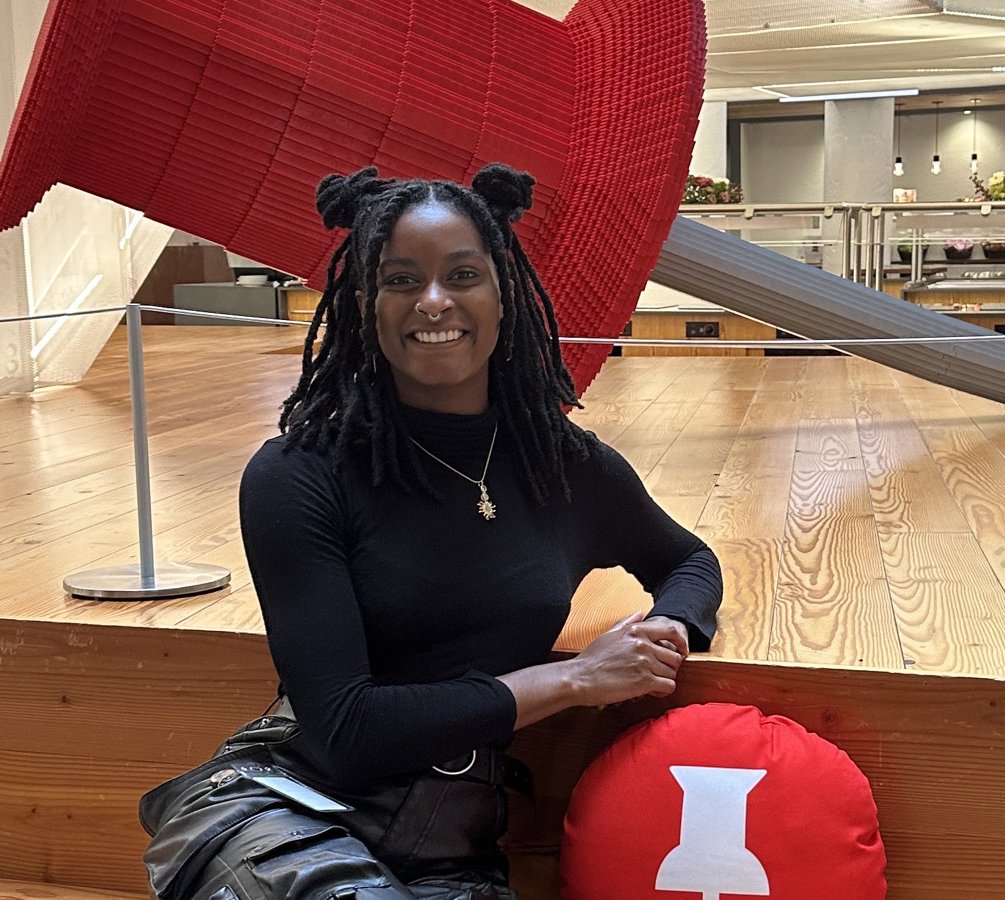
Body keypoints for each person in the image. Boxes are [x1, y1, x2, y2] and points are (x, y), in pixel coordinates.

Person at [139, 163, 723, 900]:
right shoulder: (297, 475)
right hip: (287, 812)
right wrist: (574, 679)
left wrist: (668, 627)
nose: (435, 300)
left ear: (502, 294)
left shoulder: (562, 464)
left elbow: (688, 559)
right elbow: (347, 730)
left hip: (452, 845)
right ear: (365, 304)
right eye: (402, 279)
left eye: (463, 274)